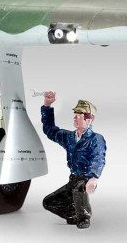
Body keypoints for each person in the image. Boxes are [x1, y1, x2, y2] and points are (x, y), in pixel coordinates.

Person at [39, 91, 105, 229]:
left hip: (85, 178)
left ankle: (84, 217)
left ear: (89, 119)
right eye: (75, 115)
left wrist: (93, 178)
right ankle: (73, 214)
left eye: (79, 116)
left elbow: (98, 158)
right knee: (49, 202)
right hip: (73, 178)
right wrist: (47, 106)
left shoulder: (95, 139)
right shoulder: (69, 137)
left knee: (79, 188)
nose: (75, 119)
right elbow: (50, 130)